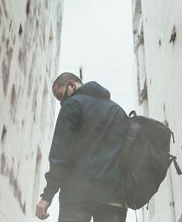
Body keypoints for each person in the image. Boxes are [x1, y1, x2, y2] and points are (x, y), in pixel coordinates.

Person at [36, 72, 129, 222]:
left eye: (60, 95)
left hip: (77, 196)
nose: (61, 102)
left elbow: (60, 154)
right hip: (114, 198)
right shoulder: (118, 111)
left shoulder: (73, 105)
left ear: (71, 85)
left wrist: (47, 195)